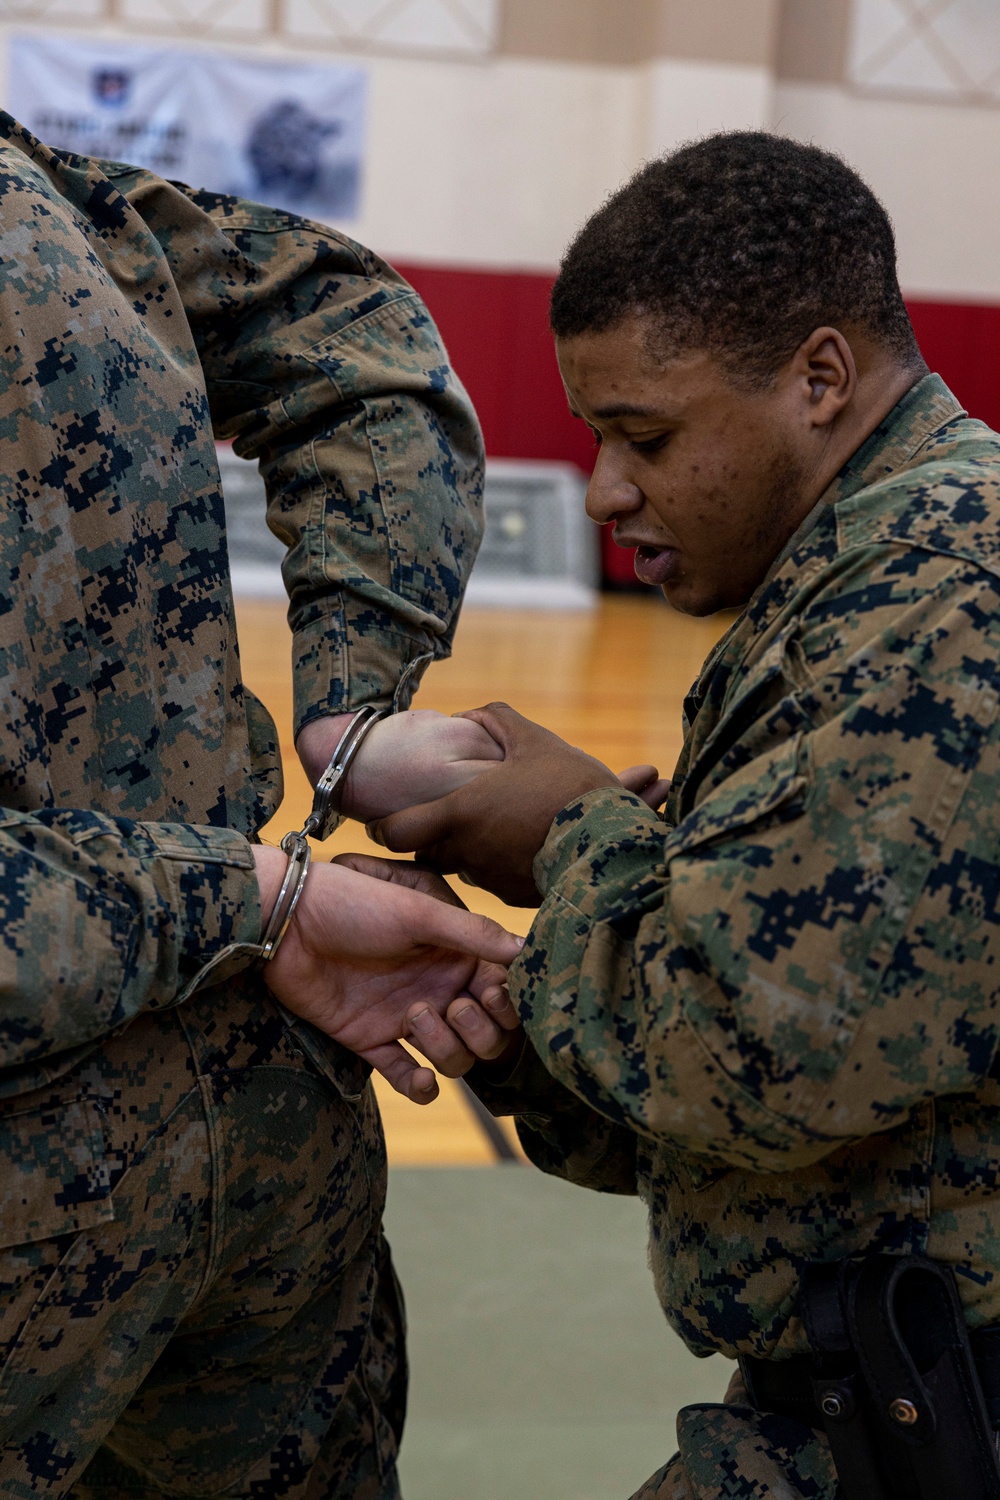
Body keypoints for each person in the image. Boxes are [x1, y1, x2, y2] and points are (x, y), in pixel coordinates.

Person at [371, 132, 1000, 1499]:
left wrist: (573, 837)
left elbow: (748, 1058)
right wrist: (495, 988)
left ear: (819, 379)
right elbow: (743, 1101)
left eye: (644, 436)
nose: (601, 488)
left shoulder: (942, 602)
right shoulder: (852, 584)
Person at [0, 113, 523, 1499]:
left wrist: (270, 876)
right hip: (266, 1087)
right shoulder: (46, 198)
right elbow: (356, 333)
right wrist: (347, 708)